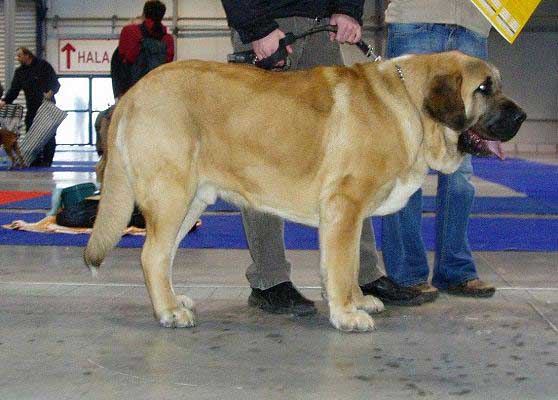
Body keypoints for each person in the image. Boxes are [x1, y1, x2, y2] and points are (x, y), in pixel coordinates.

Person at [221, 0, 427, 316]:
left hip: (321, 31)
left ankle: (362, 275)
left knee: (355, 163)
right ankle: (269, 279)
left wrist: (347, 10)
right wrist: (256, 27)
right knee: (261, 156)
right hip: (266, 30)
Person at [381, 0, 496, 298]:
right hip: (415, 19)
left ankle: (455, 269)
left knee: (462, 166)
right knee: (405, 156)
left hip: (473, 24)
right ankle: (406, 274)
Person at [0, 47, 60, 167]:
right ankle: (34, 160)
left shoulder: (43, 66)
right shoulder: (20, 72)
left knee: (48, 134)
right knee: (31, 133)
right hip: (32, 108)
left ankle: (47, 161)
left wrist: (51, 92)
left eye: (19, 56)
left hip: (47, 106)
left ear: (28, 55)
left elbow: (56, 83)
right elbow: (14, 90)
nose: (18, 58)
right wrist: (4, 101)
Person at [114, 0, 174, 98]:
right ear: (162, 16)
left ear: (144, 14)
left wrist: (120, 93)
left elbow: (121, 61)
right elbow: (167, 64)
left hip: (132, 91)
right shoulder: (168, 39)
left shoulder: (129, 31)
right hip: (156, 92)